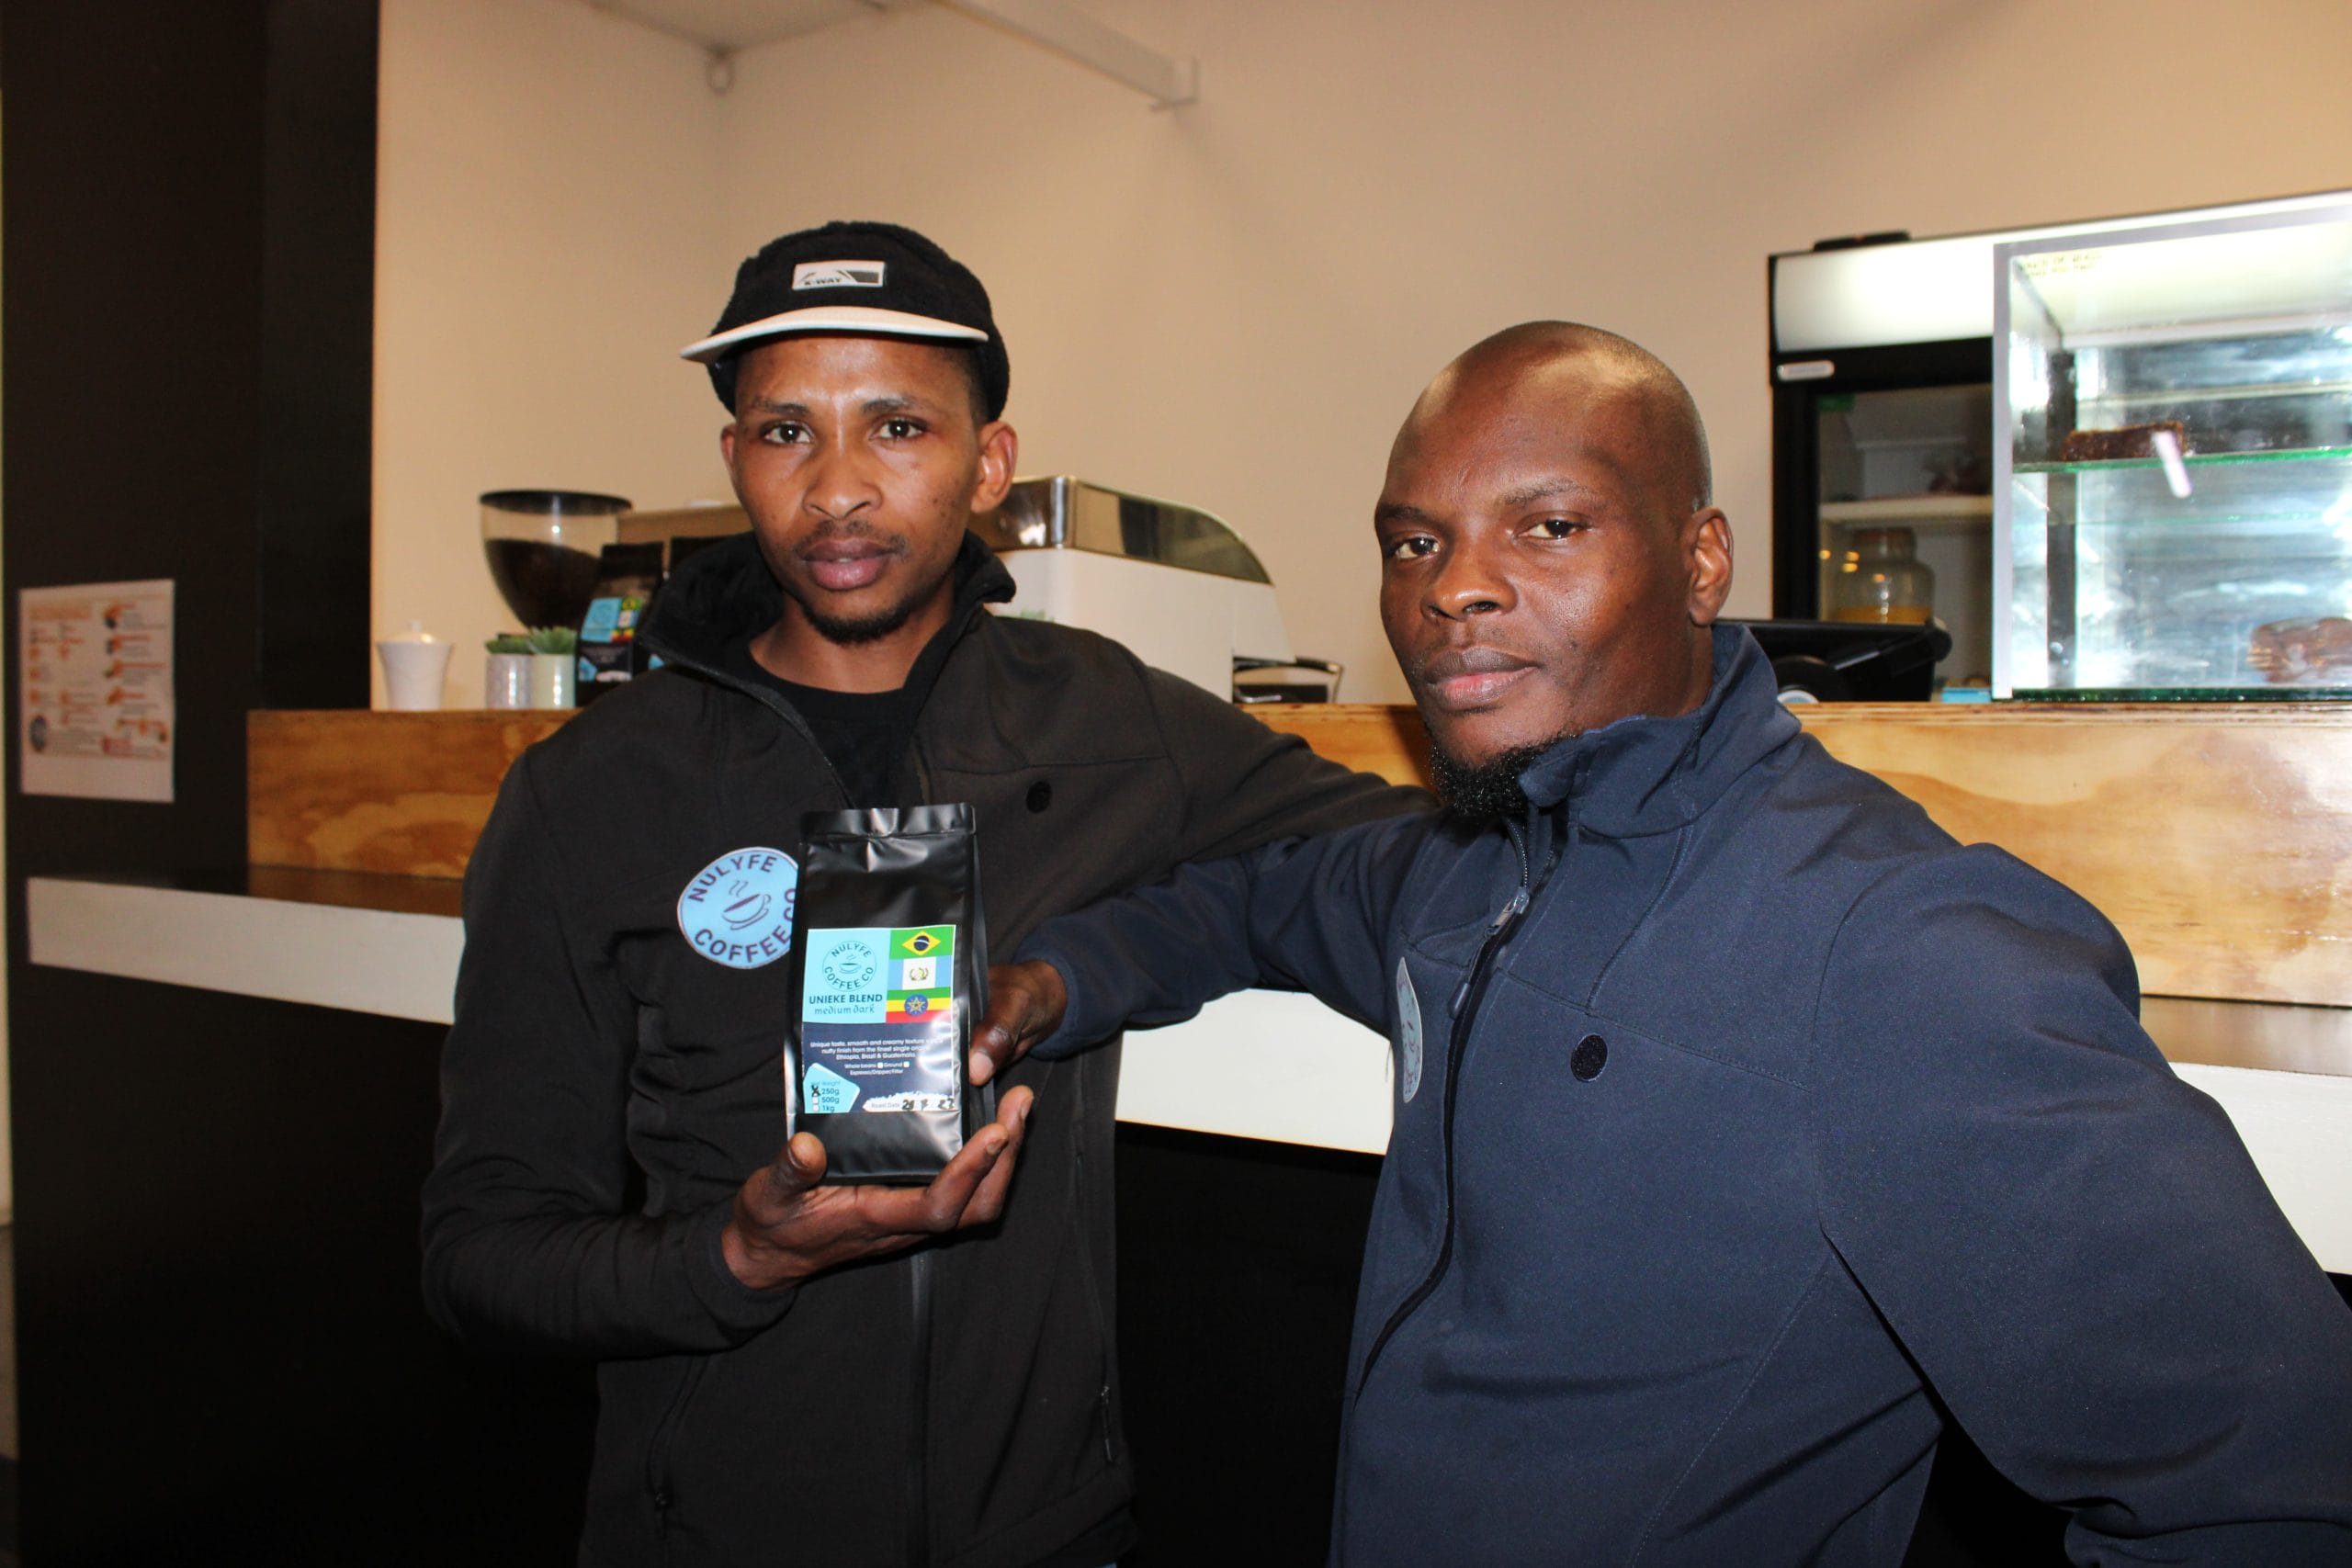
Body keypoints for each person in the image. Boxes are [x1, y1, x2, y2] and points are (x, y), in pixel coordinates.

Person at [978, 321, 2352, 1566]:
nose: (1456, 589)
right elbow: (1248, 900)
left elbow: (2271, 1487)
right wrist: (1055, 978)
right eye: (1414, 543)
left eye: (1549, 527)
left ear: (1702, 562)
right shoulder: (1466, 866)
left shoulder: (1906, 947)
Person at [421, 220, 1421, 1568]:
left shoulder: (1111, 721)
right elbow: (480, 1259)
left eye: (897, 428)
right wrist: (740, 1257)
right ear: (733, 458)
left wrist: (1082, 967)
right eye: (786, 432)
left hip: (1048, 1534)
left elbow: (1383, 851)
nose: (837, 488)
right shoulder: (589, 792)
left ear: (988, 462)